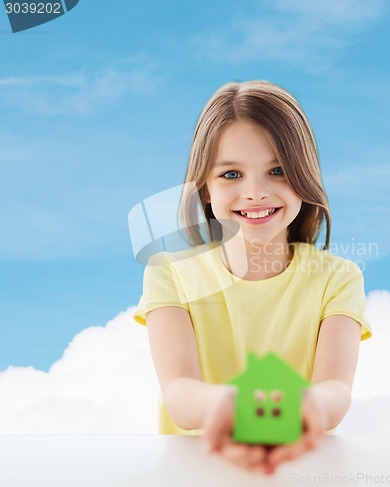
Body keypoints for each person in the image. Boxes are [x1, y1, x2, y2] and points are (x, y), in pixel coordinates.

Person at [133, 80, 372, 475]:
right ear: (205, 189)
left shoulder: (338, 279)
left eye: (277, 170)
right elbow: (179, 394)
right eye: (231, 174)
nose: (256, 192)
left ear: (304, 175)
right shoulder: (169, 274)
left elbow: (334, 393)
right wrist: (236, 406)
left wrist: (309, 406)